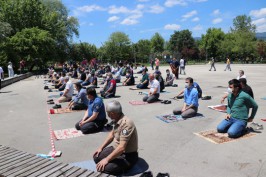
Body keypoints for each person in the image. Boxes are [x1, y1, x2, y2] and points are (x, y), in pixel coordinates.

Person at [93, 100, 138, 176]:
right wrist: (101, 148)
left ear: (112, 113)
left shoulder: (126, 124)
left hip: (128, 155)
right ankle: (114, 160)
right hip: (116, 149)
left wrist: (107, 159)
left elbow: (121, 148)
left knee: (105, 168)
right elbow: (111, 135)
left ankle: (126, 166)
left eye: (108, 113)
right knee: (96, 157)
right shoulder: (116, 119)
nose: (107, 115)